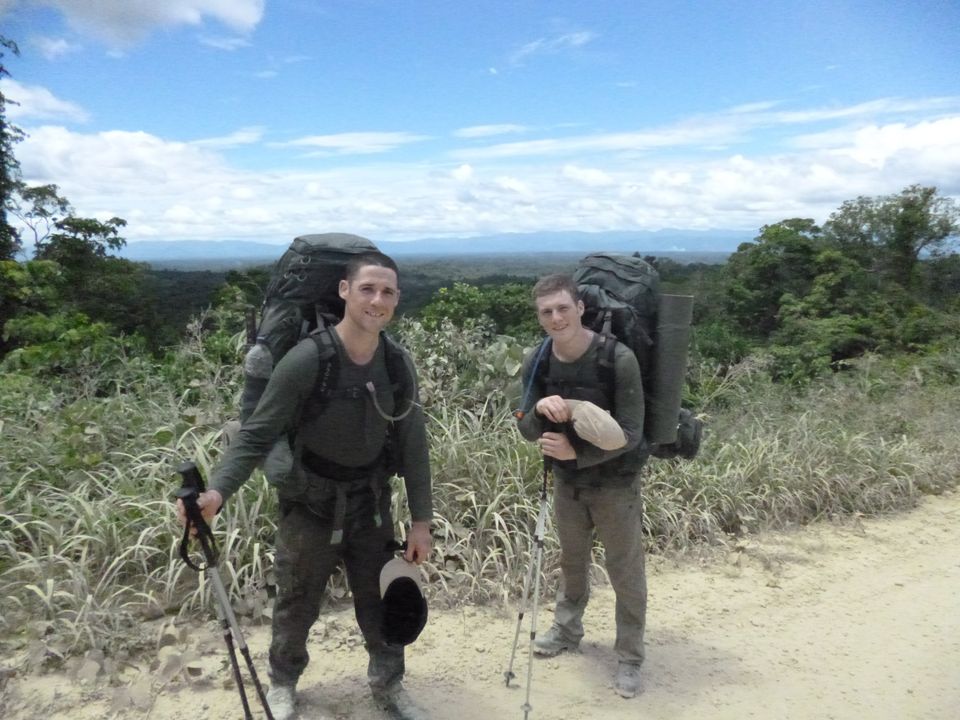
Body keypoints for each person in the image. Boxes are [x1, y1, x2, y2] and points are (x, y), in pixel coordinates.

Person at [176, 251, 432, 720]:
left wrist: (421, 521)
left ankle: (388, 686)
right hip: (310, 503)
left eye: (387, 291)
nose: (377, 300)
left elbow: (414, 443)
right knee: (296, 601)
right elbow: (257, 432)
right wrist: (216, 493)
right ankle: (284, 682)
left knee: (381, 601)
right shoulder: (307, 359)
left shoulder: (396, 364)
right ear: (344, 291)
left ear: (397, 299)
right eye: (367, 289)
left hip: (371, 505)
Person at [515, 273, 648, 699]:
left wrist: (579, 455)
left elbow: (632, 433)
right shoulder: (539, 358)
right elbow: (524, 425)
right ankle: (567, 631)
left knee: (624, 569)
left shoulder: (617, 358)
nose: (556, 318)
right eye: (546, 312)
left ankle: (629, 656)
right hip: (567, 484)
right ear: (539, 316)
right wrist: (537, 408)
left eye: (563, 308)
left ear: (580, 308)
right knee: (572, 562)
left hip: (614, 484)